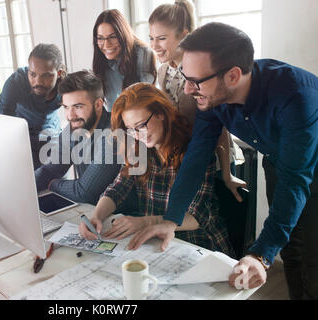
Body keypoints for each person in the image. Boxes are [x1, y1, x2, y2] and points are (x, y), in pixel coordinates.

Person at [128, 22, 318, 298]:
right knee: (290, 248)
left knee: (311, 257)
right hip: (280, 159)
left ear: (232, 75)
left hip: (310, 162)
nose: (188, 91)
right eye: (185, 77)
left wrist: (260, 255)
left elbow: (295, 182)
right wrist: (171, 219)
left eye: (195, 82)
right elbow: (197, 154)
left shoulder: (296, 96)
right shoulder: (211, 97)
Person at [79, 83, 235, 257]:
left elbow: (197, 216)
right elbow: (118, 189)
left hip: (197, 244)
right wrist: (96, 217)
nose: (137, 135)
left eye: (141, 126)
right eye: (131, 130)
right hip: (154, 242)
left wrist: (145, 222)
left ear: (161, 113)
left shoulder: (194, 149)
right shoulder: (139, 148)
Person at [149, 0, 246, 202]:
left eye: (162, 38)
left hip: (218, 159)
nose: (154, 46)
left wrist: (227, 174)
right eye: (151, 38)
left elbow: (219, 127)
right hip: (189, 158)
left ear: (184, 37)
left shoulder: (203, 70)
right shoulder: (163, 71)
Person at [34, 70, 121, 205]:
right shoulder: (74, 128)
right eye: (66, 107)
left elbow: (83, 193)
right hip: (91, 213)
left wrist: (52, 184)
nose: (70, 116)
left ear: (98, 104)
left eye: (78, 107)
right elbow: (50, 169)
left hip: (121, 217)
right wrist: (22, 187)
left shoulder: (113, 135)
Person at [0, 43, 65, 169]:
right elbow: (3, 121)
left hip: (52, 136)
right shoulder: (15, 82)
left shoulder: (66, 86)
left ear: (59, 73)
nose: (38, 82)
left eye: (46, 75)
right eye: (33, 74)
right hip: (23, 138)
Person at [92, 9, 157, 111]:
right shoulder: (102, 60)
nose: (106, 44)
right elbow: (111, 108)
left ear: (123, 35)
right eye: (100, 38)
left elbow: (147, 102)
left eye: (112, 37)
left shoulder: (144, 54)